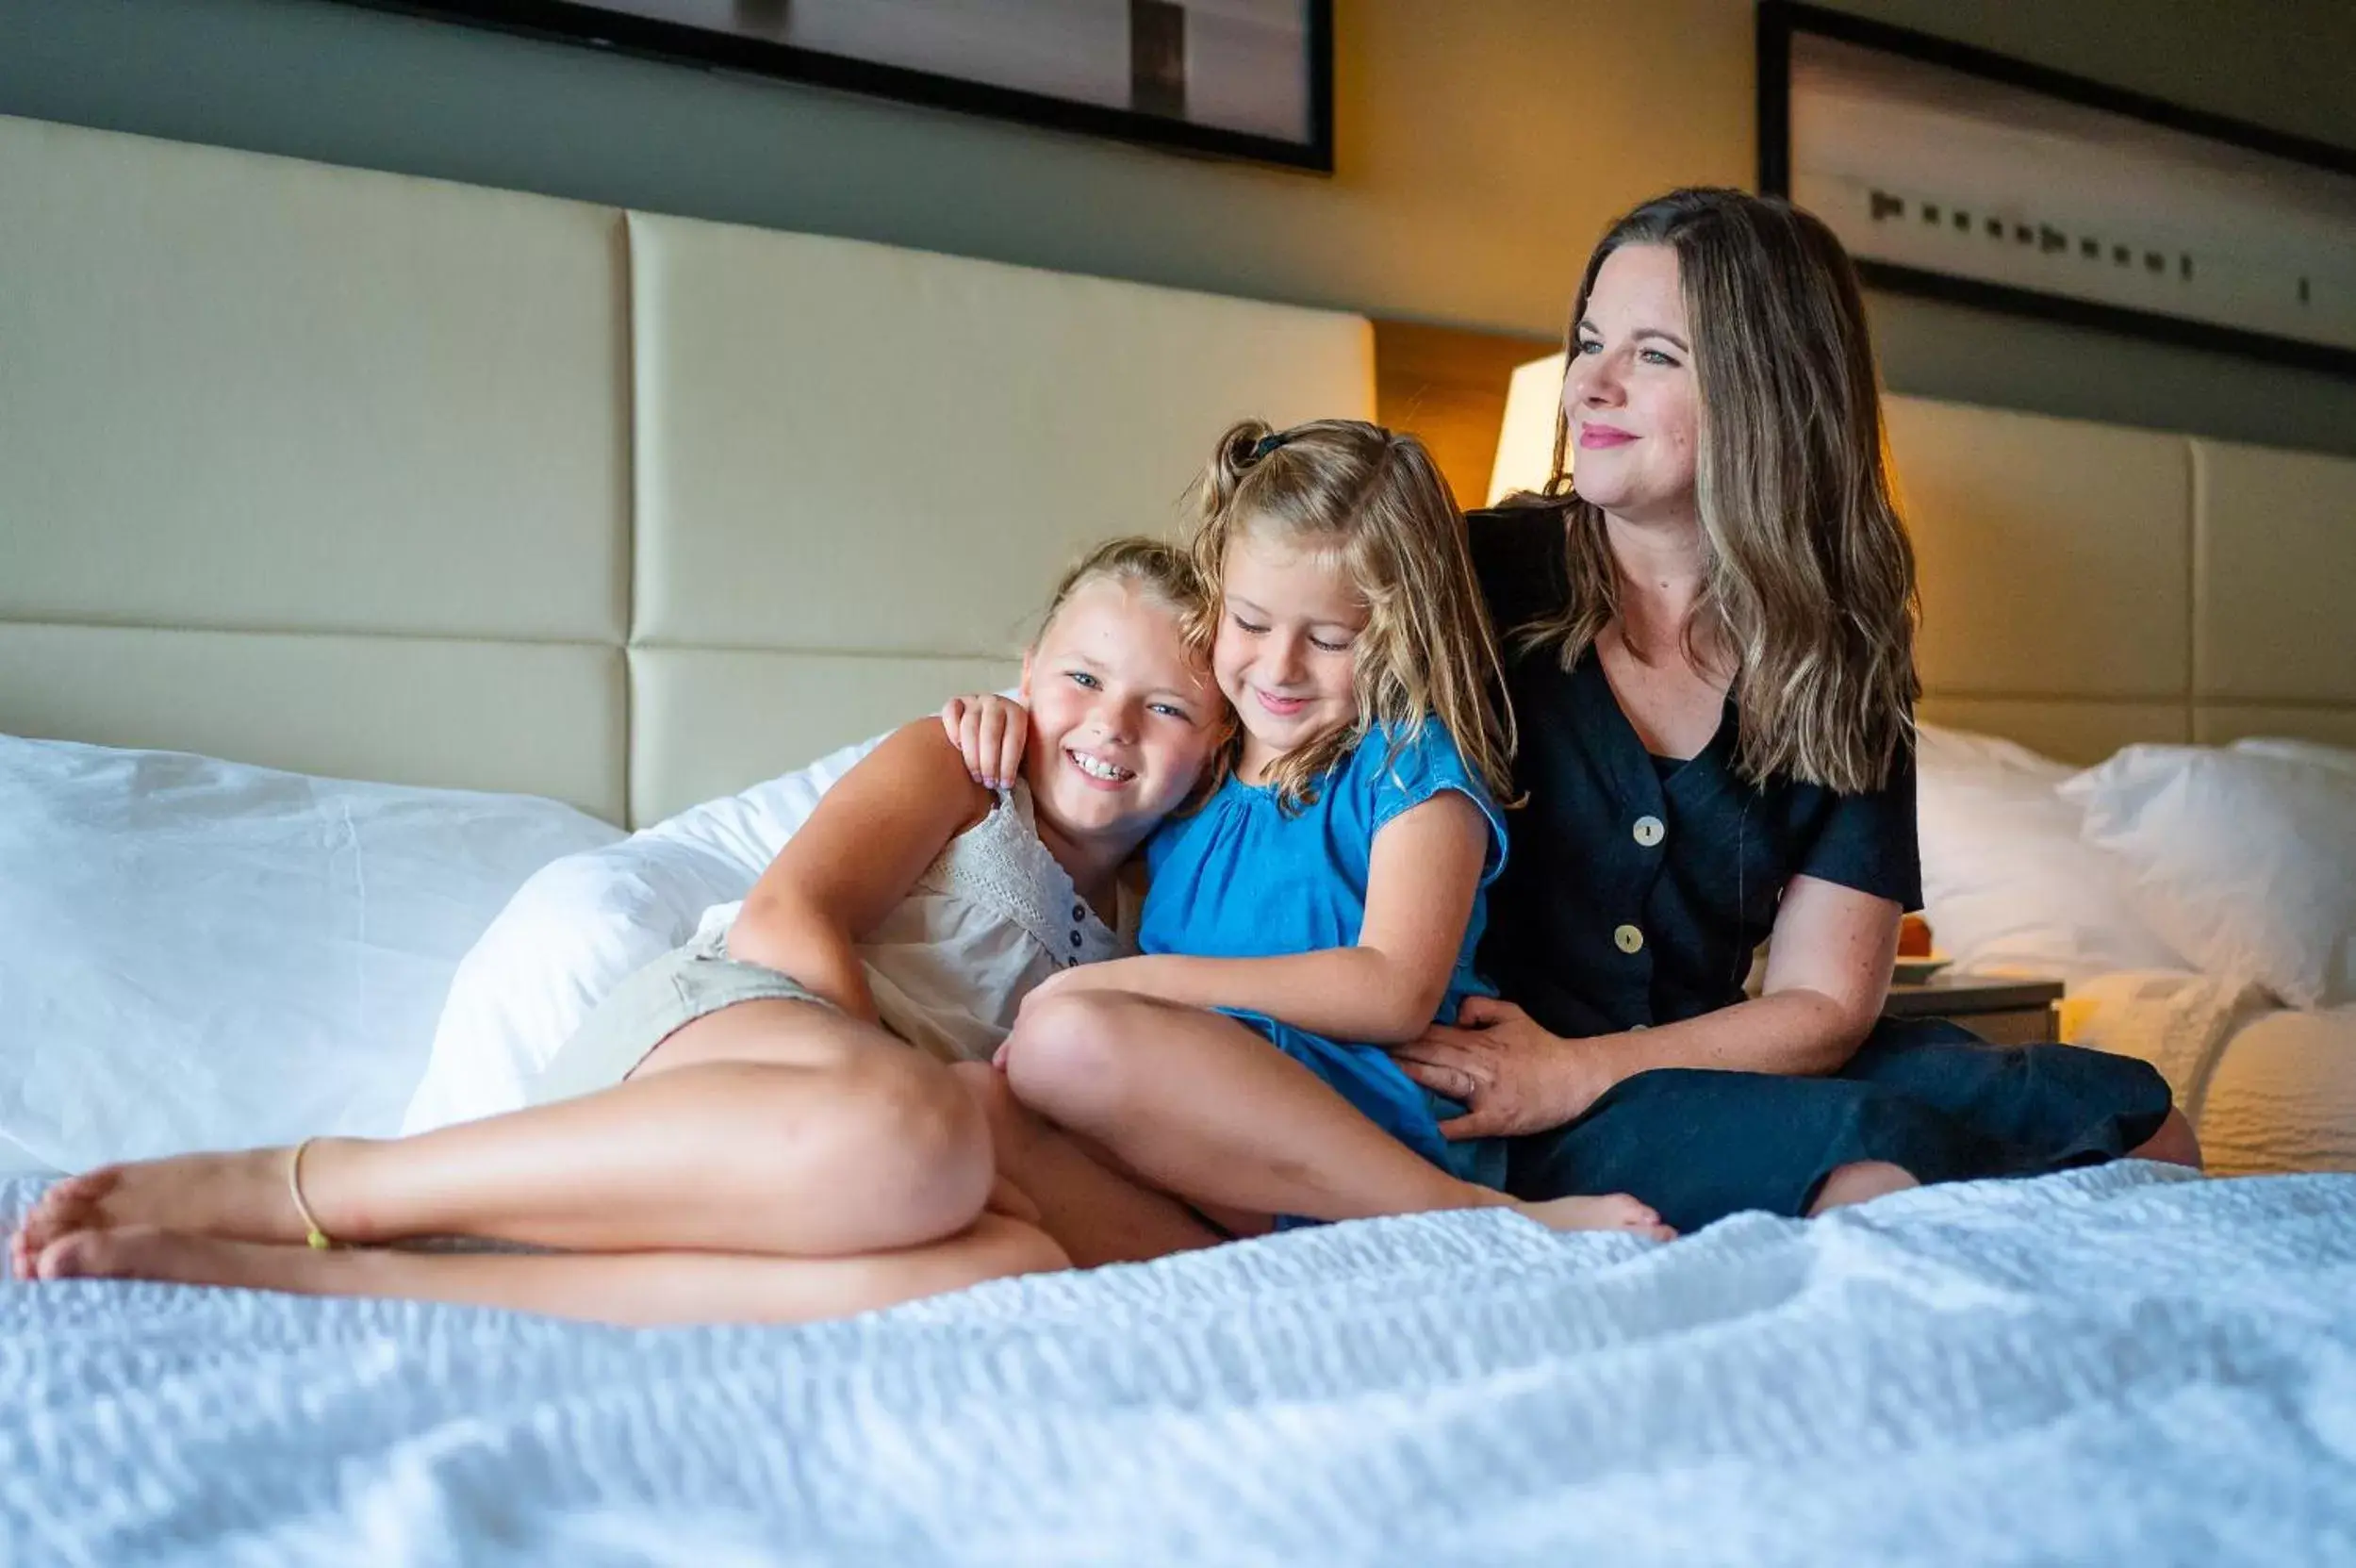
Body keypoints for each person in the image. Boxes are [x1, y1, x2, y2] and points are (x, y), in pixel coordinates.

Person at [9, 538, 1227, 1324]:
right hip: (738, 1030)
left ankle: (387, 1281)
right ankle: (323, 1181)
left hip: (867, 1177)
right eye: (1078, 676)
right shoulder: (967, 764)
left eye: (1164, 704)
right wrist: (910, 1101)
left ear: (1218, 743)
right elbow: (785, 914)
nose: (1106, 723)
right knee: (926, 1137)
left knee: (1004, 1274)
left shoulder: (1168, 916)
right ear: (1024, 668)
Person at [1384, 188, 2196, 1235]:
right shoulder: (1464, 578)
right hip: (1499, 1094)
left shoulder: (1841, 647)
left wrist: (1585, 1069)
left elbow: (1822, 1004)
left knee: (2141, 1125)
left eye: (1655, 355)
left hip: (1707, 1059)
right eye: (1590, 340)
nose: (1591, 380)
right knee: (1871, 1175)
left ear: (1767, 391)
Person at [942, 420, 1670, 1244]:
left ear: (1401, 633)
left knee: (1061, 1041)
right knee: (971, 1107)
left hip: (1361, 1118)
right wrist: (1010, 712)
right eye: (1249, 623)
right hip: (1207, 1131)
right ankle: (1234, 1263)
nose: (1279, 668)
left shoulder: (1408, 762)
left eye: (1329, 640)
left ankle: (1478, 1219)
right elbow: (1092, 772)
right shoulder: (1202, 763)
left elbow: (1394, 989)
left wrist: (1138, 985)